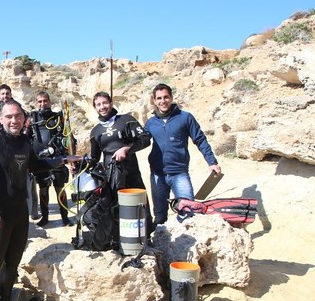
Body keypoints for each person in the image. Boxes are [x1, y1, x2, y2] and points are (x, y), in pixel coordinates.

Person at [0, 100, 80, 301]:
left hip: (19, 213)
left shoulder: (24, 141)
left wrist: (64, 159)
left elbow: (37, 165)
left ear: (24, 118)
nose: (14, 120)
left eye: (18, 116)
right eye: (9, 116)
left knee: (12, 263)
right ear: (1, 119)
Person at [144, 83, 221, 224]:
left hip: (179, 173)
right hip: (158, 175)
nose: (163, 101)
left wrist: (212, 162)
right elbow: (140, 141)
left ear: (171, 97)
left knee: (188, 213)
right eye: (159, 98)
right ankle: (161, 237)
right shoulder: (151, 123)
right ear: (154, 101)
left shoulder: (185, 117)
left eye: (166, 97)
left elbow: (200, 140)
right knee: (160, 216)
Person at [87, 91, 153, 230]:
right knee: (115, 211)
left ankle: (147, 236)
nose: (102, 107)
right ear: (95, 107)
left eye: (105, 103)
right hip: (111, 178)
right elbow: (94, 158)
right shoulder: (95, 132)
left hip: (131, 173)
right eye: (98, 104)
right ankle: (118, 239)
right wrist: (79, 164)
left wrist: (126, 149)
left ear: (111, 103)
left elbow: (145, 139)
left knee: (140, 206)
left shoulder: (126, 120)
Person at [27, 91, 74, 227]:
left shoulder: (59, 118)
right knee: (43, 190)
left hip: (57, 159)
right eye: (40, 101)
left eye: (45, 101)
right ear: (36, 103)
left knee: (60, 189)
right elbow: (26, 140)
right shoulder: (32, 120)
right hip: (40, 162)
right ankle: (45, 217)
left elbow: (69, 138)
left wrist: (71, 159)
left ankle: (65, 217)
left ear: (50, 102)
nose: (43, 104)